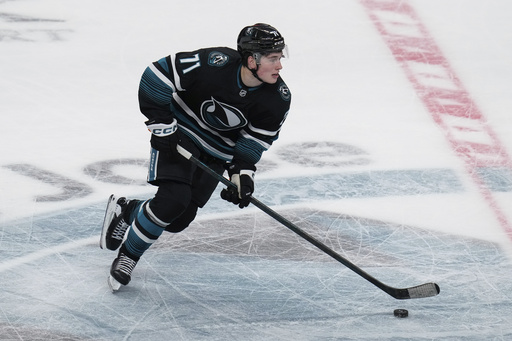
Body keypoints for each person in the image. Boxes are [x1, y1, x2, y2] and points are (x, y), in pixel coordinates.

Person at [99, 23, 291, 291]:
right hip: (181, 136)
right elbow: (157, 75)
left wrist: (242, 175)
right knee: (171, 202)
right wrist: (162, 126)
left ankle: (127, 210)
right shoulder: (215, 63)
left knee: (178, 220)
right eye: (273, 58)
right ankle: (127, 259)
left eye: (280, 57)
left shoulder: (277, 99)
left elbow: (253, 143)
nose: (280, 65)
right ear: (251, 60)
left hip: (216, 153)